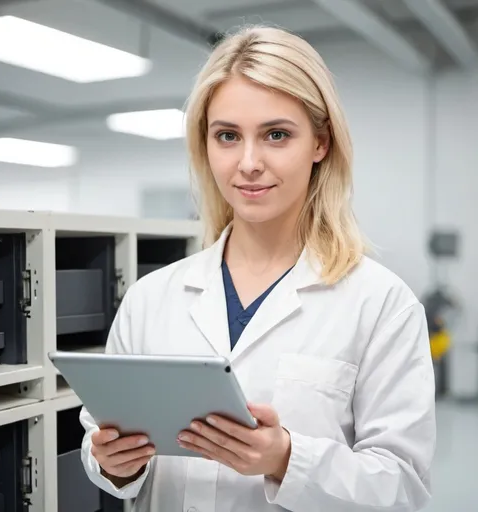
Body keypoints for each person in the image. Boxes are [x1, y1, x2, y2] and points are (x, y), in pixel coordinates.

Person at [80, 25, 436, 512]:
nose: (248, 163)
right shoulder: (152, 297)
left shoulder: (381, 304)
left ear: (320, 143)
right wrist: (114, 462)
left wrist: (287, 457)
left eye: (276, 135)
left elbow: (404, 489)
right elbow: (101, 442)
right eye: (227, 135)